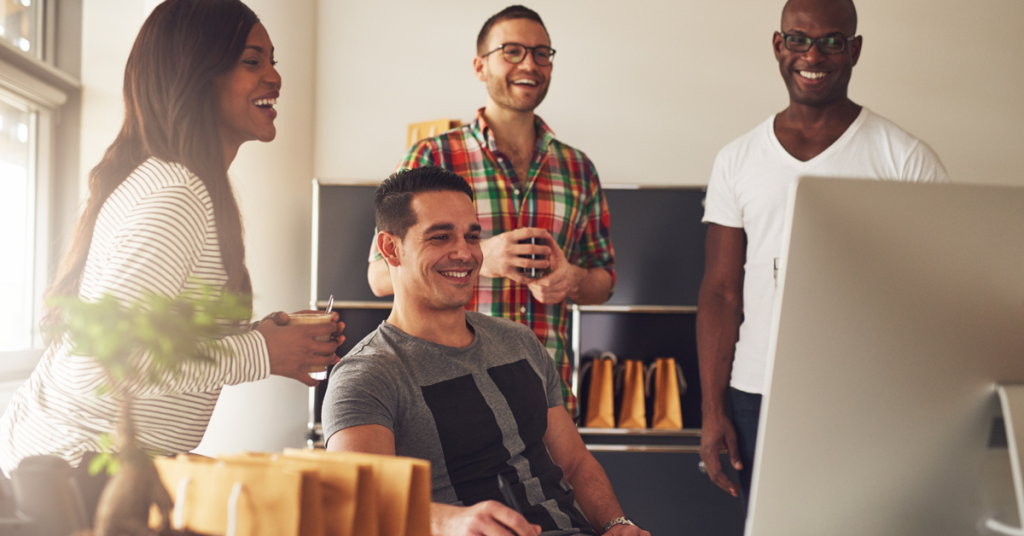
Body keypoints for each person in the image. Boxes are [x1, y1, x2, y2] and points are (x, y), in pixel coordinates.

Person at [0, 0, 343, 517]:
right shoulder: (177, 193)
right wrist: (261, 353)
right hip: (77, 478)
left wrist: (259, 337)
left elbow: (150, 335)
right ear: (195, 74)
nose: (274, 76)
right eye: (252, 61)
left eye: (273, 60)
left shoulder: (183, 182)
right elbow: (108, 358)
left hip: (93, 469)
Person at [697, 0, 950, 507]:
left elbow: (939, 294)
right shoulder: (738, 159)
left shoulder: (903, 158)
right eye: (798, 39)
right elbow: (722, 292)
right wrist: (712, 409)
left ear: (854, 50)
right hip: (758, 393)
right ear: (778, 45)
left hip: (866, 395)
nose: (813, 54)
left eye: (832, 41)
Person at [327, 167, 647, 536]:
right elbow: (360, 501)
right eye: (440, 237)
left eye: (472, 235)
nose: (464, 253)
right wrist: (451, 521)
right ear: (390, 248)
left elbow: (574, 464)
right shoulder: (366, 376)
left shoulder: (520, 342)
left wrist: (616, 524)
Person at [366, 5, 615, 416]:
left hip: (547, 399)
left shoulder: (578, 168)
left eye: (541, 53)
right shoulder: (431, 155)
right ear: (480, 66)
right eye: (512, 51)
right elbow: (379, 276)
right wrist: (482, 257)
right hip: (450, 394)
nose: (529, 64)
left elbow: (604, 281)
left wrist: (571, 279)